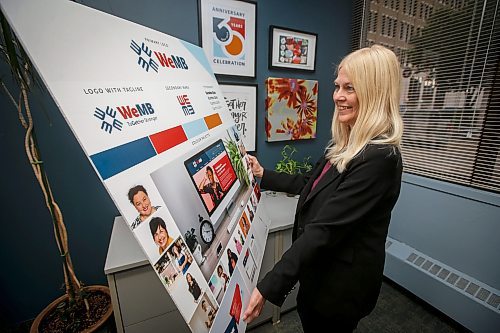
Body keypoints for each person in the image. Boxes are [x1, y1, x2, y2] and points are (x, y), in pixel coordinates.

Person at [243, 45, 404, 332]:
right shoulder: (346, 143)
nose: (338, 96)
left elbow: (326, 228)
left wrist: (269, 285)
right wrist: (262, 174)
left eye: (350, 88)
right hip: (319, 272)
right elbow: (310, 184)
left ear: (374, 92)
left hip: (340, 287)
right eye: (338, 86)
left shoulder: (379, 158)